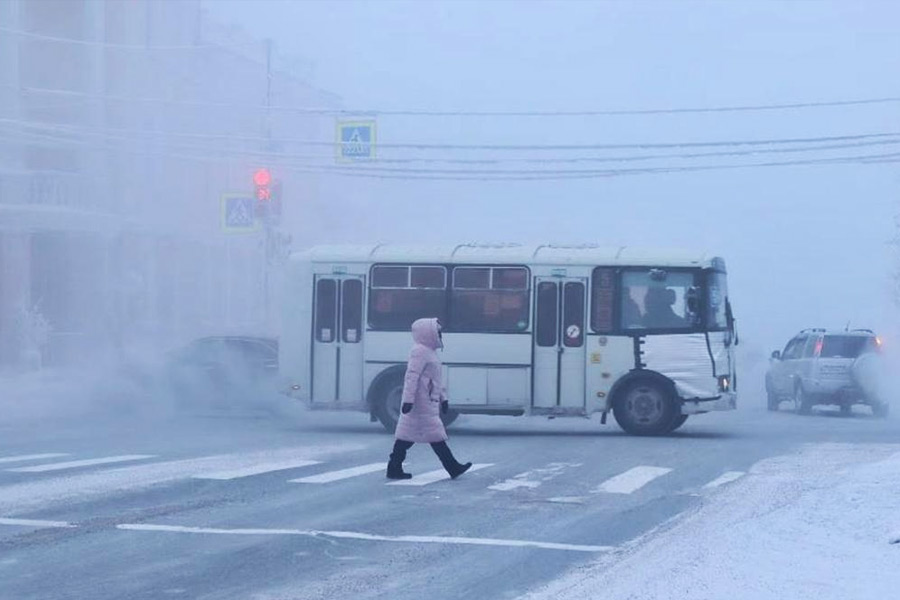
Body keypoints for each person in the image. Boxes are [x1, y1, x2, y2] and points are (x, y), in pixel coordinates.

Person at [386, 317, 472, 480]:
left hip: (426, 401)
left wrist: (443, 398)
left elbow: (434, 380)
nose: (440, 335)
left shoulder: (428, 352)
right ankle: (453, 467)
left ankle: (394, 467)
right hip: (420, 403)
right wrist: (408, 400)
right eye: (437, 332)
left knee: (408, 437)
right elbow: (412, 376)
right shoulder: (420, 351)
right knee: (433, 436)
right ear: (428, 333)